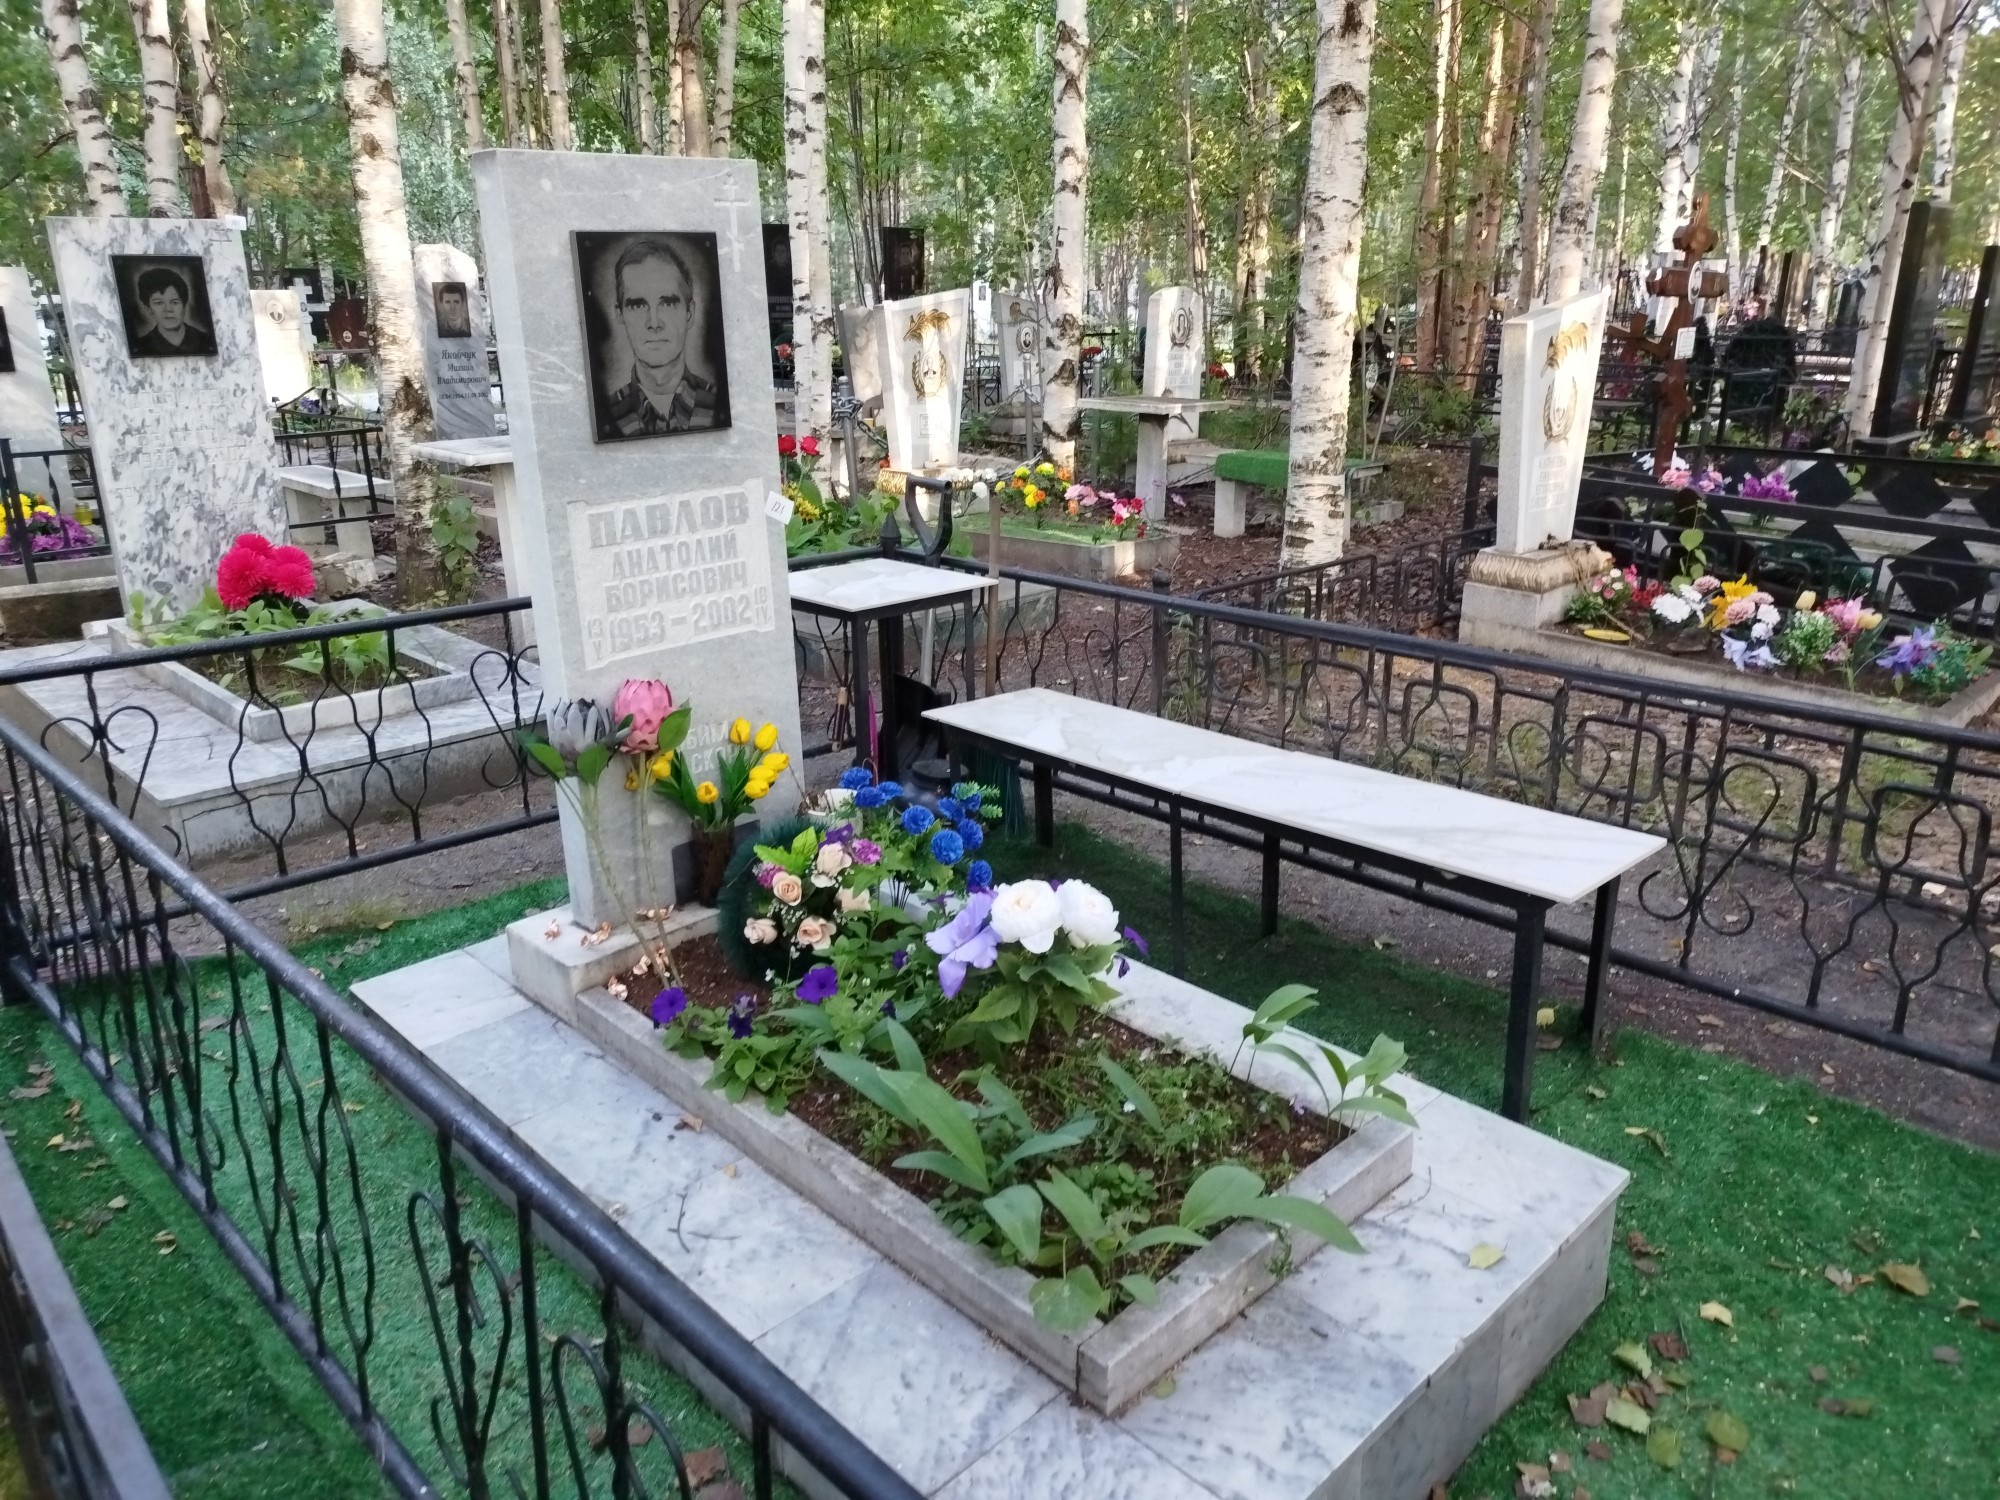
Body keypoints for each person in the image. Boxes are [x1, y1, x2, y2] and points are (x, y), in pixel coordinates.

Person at [596, 238, 721, 438]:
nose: (654, 323)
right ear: (620, 315)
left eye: (668, 303)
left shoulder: (719, 404)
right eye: (638, 305)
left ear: (689, 313)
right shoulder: (606, 413)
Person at [130, 266, 210, 356]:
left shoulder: (206, 341)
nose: (168, 309)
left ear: (184, 305)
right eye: (159, 303)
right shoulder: (141, 346)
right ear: (148, 309)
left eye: (175, 302)